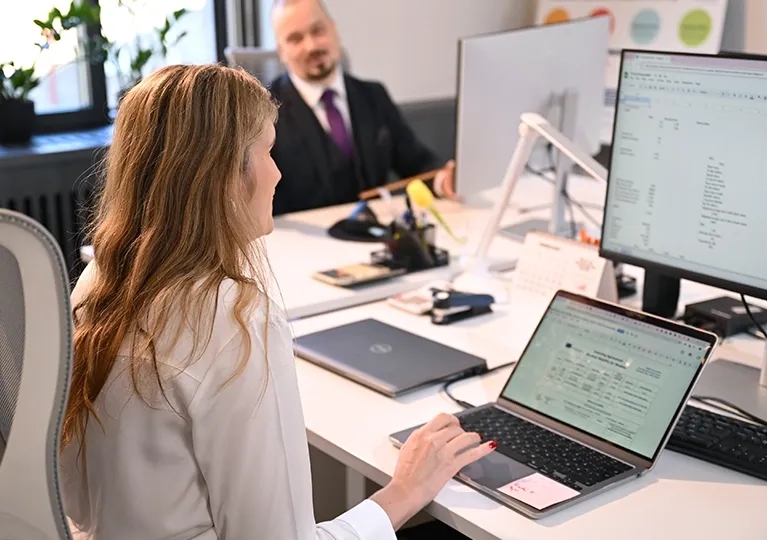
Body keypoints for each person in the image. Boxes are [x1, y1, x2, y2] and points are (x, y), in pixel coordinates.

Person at [59, 63, 496, 540]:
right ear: (222, 173)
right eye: (267, 150)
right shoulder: (231, 318)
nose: (278, 172)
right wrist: (404, 491)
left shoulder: (100, 281)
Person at [268, 0, 458, 215]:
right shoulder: (265, 113)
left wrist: (443, 179)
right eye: (295, 39)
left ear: (334, 30)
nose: (312, 46)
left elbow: (417, 163)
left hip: (375, 236)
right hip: (303, 243)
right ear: (281, 51)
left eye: (318, 30)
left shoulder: (374, 95)